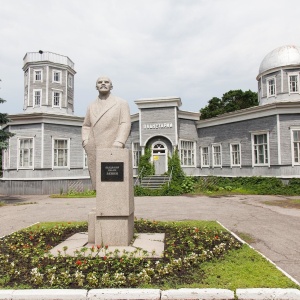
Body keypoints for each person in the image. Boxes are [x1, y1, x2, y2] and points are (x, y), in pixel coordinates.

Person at [82, 76, 131, 189]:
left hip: (112, 145)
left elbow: (125, 123)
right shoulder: (91, 105)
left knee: (114, 184)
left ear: (111, 86)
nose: (103, 84)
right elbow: (86, 125)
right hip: (94, 147)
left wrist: (119, 141)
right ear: (96, 86)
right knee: (99, 183)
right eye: (100, 82)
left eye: (106, 82)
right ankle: (103, 204)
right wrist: (85, 141)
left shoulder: (121, 103)